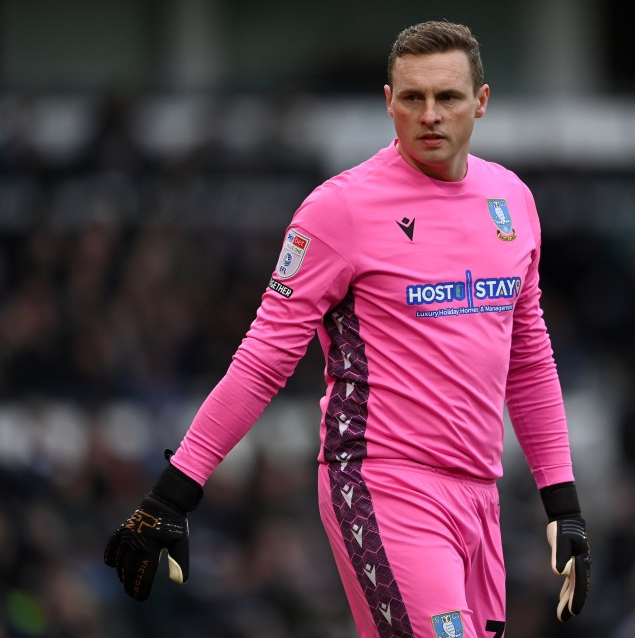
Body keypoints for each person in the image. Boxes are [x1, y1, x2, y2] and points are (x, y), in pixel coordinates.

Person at [104, 19, 591, 637]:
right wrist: (173, 494)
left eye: (448, 97)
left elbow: (529, 360)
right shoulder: (340, 210)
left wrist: (563, 504)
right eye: (412, 98)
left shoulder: (512, 201)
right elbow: (263, 360)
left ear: (482, 102)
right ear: (389, 103)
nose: (430, 114)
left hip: (480, 496)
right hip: (381, 483)